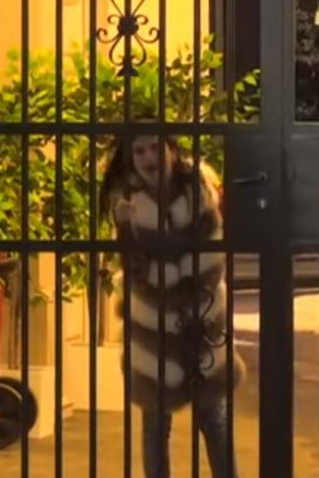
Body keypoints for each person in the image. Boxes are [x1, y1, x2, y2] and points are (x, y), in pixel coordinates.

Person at [100, 134, 244, 478]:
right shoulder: (127, 199)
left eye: (154, 147)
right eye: (139, 150)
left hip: (201, 318)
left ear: (171, 149)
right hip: (153, 324)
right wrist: (125, 228)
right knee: (155, 423)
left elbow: (212, 247)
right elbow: (134, 270)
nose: (148, 157)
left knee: (214, 416)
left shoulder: (197, 186)